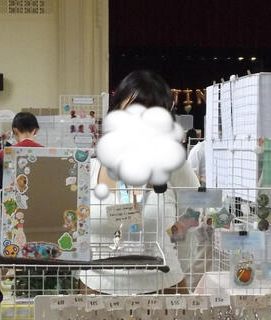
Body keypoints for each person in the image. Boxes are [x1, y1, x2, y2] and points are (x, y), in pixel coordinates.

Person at [83, 70, 200, 294]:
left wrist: (174, 255)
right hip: (96, 290)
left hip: (164, 290)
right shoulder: (89, 169)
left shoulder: (175, 167)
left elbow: (195, 215)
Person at [0, 112, 43, 193]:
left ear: (15, 131)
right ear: (36, 131)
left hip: (11, 199)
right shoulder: (46, 153)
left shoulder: (3, 154)